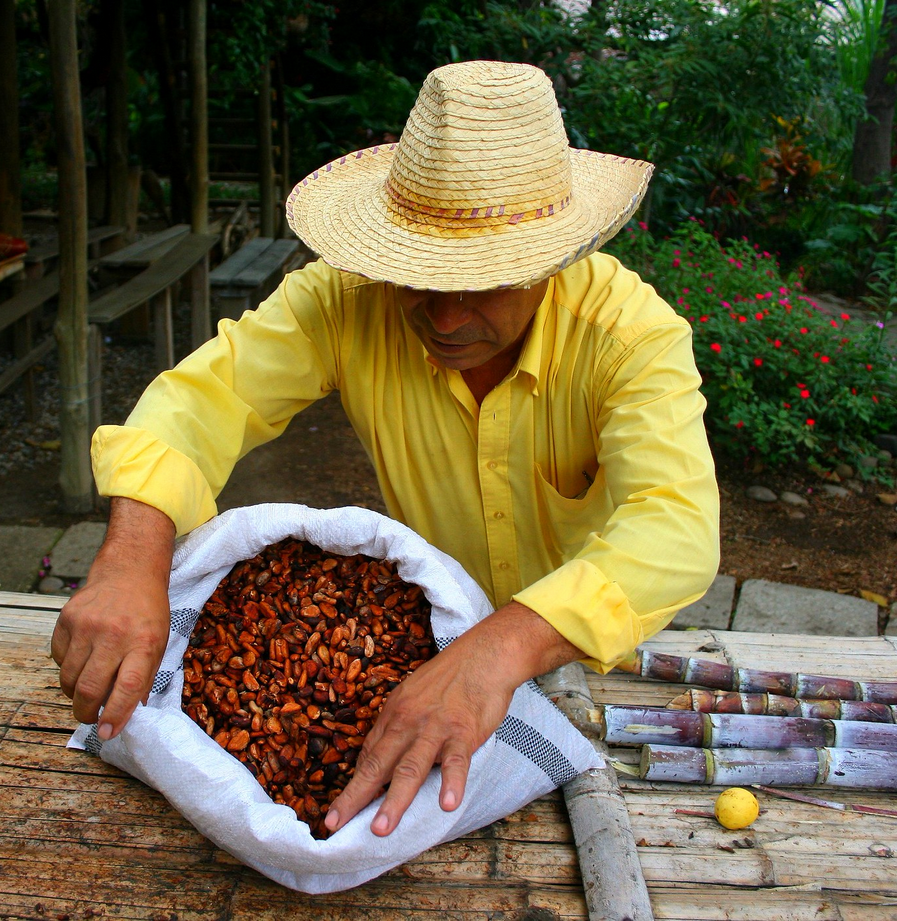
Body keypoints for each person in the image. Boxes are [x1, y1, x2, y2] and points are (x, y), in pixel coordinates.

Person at [52, 60, 719, 839]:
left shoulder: (630, 338)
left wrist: (495, 651)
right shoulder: (347, 301)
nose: (442, 312)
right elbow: (206, 397)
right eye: (419, 273)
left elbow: (673, 527)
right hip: (415, 648)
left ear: (555, 258)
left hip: (575, 657)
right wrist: (133, 558)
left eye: (485, 280)